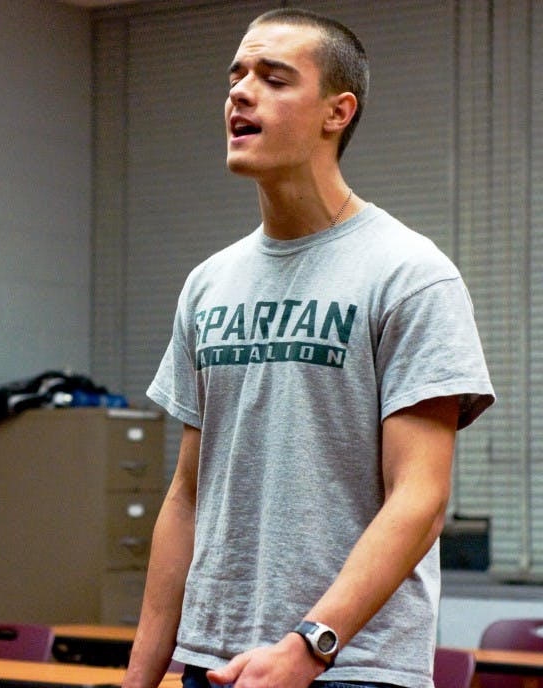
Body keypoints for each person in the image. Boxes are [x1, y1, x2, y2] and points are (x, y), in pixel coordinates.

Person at [122, 8, 494, 688]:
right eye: (235, 75)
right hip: (213, 662)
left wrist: (308, 646)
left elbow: (419, 497)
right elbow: (185, 495)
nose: (239, 92)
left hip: (354, 666)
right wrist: (139, 679)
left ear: (336, 111)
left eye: (273, 78)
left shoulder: (410, 274)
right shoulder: (208, 285)